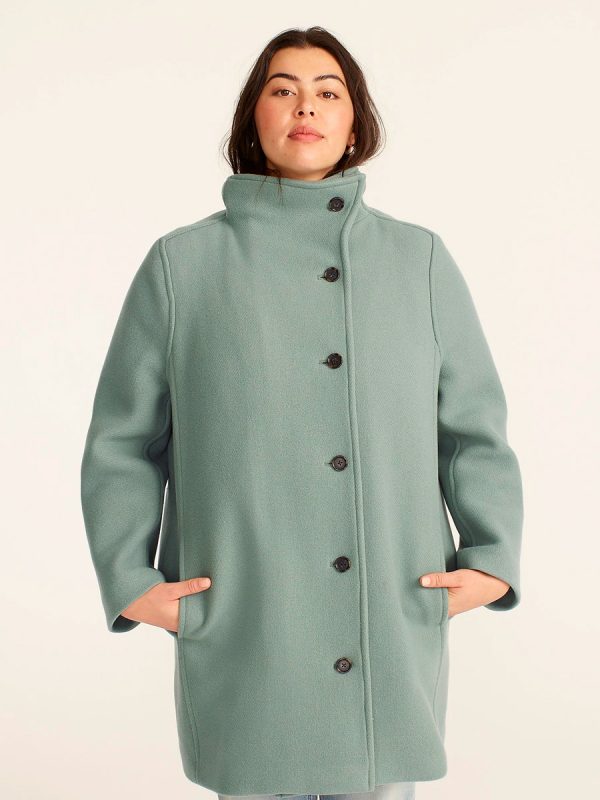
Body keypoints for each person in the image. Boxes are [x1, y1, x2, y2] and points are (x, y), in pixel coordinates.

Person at [80, 26, 523, 800]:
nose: (305, 106)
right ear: (252, 119)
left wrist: (491, 557)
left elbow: (473, 430)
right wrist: (129, 576)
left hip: (387, 609)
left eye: (328, 92)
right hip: (247, 617)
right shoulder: (184, 264)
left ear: (356, 124)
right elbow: (123, 439)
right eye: (282, 89)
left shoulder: (417, 259)